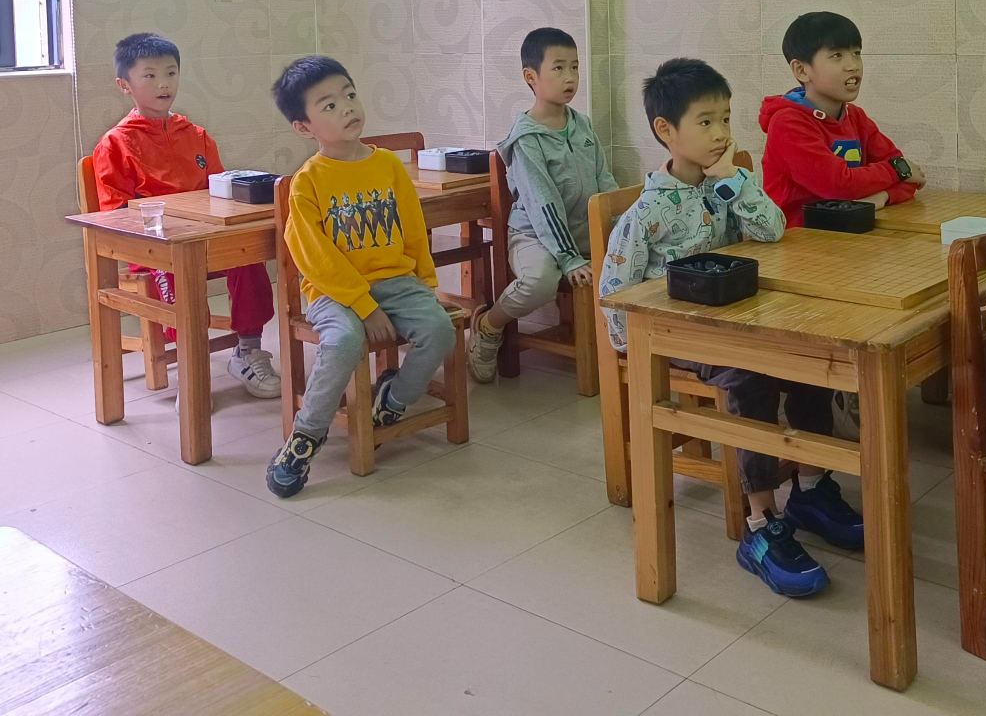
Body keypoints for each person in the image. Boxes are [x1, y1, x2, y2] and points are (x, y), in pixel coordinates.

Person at [599, 57, 865, 599]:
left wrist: (735, 183)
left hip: (741, 323)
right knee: (751, 376)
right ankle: (761, 523)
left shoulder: (728, 183)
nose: (721, 132)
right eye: (705, 121)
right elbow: (614, 293)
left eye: (725, 118)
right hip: (680, 338)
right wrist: (638, 347)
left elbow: (771, 230)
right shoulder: (646, 213)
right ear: (665, 130)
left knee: (808, 360)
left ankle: (811, 488)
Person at [264, 56, 457, 498]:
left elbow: (414, 231)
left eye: (349, 95)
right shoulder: (307, 181)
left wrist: (426, 285)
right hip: (334, 292)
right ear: (304, 127)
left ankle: (393, 400)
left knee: (440, 330)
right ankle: (304, 438)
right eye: (329, 105)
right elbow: (316, 259)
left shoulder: (387, 164)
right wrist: (365, 307)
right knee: (344, 341)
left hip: (397, 282)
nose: (347, 107)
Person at [92, 33, 279, 399]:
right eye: (150, 75)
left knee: (248, 257)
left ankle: (248, 351)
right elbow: (115, 214)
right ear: (124, 85)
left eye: (171, 73)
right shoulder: (115, 144)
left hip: (205, 239)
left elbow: (220, 193)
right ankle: (191, 372)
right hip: (154, 248)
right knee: (176, 275)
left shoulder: (196, 135)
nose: (163, 84)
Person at [468, 28, 616, 381]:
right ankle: (489, 325)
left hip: (580, 231)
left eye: (575, 67)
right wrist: (569, 258)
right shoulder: (526, 138)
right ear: (530, 77)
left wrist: (623, 229)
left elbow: (605, 183)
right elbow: (542, 204)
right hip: (535, 235)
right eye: (559, 68)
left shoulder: (582, 126)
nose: (570, 77)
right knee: (540, 283)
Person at [759, 11, 924, 228]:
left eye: (856, 53)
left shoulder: (856, 117)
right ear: (801, 70)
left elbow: (911, 177)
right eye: (837, 55)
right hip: (795, 239)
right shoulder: (788, 124)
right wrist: (895, 171)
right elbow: (838, 186)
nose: (853, 65)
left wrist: (882, 196)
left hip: (847, 233)